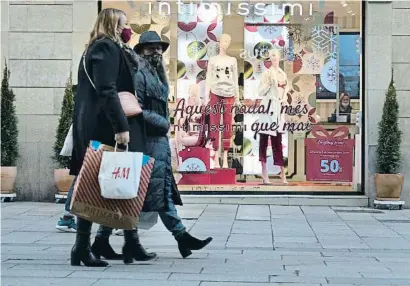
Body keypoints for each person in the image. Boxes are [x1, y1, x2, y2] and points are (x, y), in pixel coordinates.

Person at [91, 31, 213, 260]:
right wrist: (162, 122)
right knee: (141, 194)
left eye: (159, 48)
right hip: (144, 141)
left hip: (155, 142)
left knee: (144, 194)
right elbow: (133, 107)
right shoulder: (138, 73)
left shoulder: (156, 73)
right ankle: (180, 238)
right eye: (150, 48)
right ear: (140, 51)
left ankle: (104, 240)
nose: (156, 51)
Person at [69, 8, 155, 267]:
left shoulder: (98, 47)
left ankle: (124, 242)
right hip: (105, 126)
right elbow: (107, 90)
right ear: (113, 23)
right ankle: (83, 247)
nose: (126, 29)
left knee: (113, 181)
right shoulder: (105, 48)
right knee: (97, 184)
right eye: (123, 24)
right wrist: (121, 126)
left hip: (98, 123)